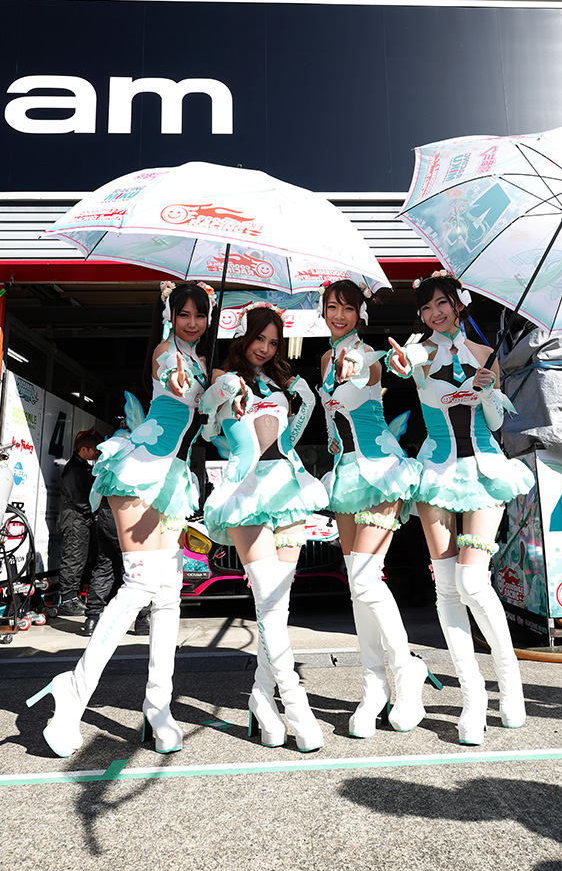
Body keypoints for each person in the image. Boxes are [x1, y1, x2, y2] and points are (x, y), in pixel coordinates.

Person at [27, 280, 215, 757]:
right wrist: (181, 382)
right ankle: (73, 691)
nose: (192, 322)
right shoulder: (167, 354)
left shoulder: (202, 361)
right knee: (139, 586)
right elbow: (170, 376)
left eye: (200, 315)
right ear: (170, 315)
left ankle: (158, 706)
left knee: (169, 595)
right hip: (140, 467)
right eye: (184, 314)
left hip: (171, 475)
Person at [387, 271, 535, 746]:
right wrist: (400, 363)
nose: (434, 313)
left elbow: (495, 421)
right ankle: (473, 700)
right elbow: (401, 370)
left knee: (473, 580)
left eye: (442, 304)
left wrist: (489, 390)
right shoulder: (418, 353)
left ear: (459, 304)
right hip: (435, 471)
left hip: (484, 469)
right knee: (447, 589)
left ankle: (510, 685)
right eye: (426, 307)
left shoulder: (485, 354)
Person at [201, 302, 328, 752]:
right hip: (246, 491)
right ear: (243, 336)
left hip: (288, 487)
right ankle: (296, 704)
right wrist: (224, 390)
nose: (266, 348)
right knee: (269, 600)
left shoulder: (278, 382)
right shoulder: (223, 377)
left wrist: (305, 397)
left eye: (273, 342)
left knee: (278, 604)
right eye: (259, 338)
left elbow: (289, 434)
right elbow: (206, 418)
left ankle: (260, 695)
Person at [318, 279, 429, 740]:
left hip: (380, 469)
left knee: (365, 579)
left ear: (361, 313)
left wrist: (356, 367)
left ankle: (407, 674)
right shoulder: (324, 358)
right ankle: (373, 688)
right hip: (346, 473)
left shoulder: (367, 355)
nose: (338, 315)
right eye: (331, 306)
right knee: (357, 586)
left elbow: (366, 374)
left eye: (347, 308)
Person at [83, 496, 151, 637]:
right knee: (135, 568)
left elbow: (94, 495)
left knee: (105, 566)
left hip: (106, 513)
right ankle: (143, 618)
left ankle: (92, 618)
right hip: (128, 513)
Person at [57, 431, 100, 616]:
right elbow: (79, 498)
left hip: (80, 518)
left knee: (80, 558)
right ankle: (68, 600)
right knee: (73, 557)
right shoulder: (74, 468)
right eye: (94, 450)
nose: (96, 453)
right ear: (84, 449)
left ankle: (74, 597)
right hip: (74, 518)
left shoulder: (82, 466)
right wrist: (93, 513)